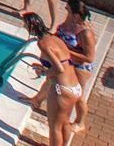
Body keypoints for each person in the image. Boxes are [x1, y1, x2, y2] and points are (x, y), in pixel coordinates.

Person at [21, 11, 81, 146]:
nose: (24, 27)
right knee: (65, 123)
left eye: (25, 25)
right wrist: (45, 69)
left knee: (54, 127)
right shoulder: (54, 37)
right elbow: (62, 62)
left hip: (62, 90)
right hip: (75, 87)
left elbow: (59, 69)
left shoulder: (42, 43)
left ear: (31, 26)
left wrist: (45, 72)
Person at [55, 0, 97, 130]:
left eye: (68, 9)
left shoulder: (85, 33)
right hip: (68, 63)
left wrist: (65, 51)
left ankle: (80, 122)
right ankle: (38, 101)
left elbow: (89, 58)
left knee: (78, 96)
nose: (65, 10)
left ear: (76, 14)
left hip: (80, 68)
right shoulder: (70, 21)